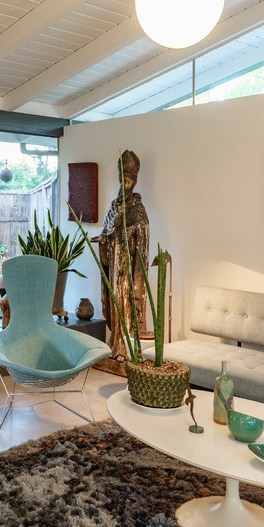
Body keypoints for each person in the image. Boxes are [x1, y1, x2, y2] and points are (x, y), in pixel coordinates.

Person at [91, 150, 149, 374]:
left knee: (124, 304)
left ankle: (124, 349)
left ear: (134, 181)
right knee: (113, 305)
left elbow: (142, 231)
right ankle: (114, 344)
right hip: (113, 266)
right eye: (121, 179)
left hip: (126, 268)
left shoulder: (137, 208)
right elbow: (107, 228)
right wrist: (105, 237)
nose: (124, 184)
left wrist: (130, 230)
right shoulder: (115, 205)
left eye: (127, 179)